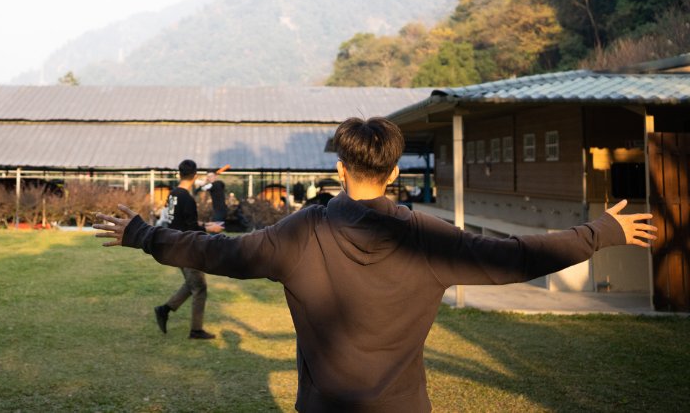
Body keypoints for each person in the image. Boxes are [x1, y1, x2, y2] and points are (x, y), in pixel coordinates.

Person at [94, 117, 656, 412]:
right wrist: (600, 232)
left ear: (341, 169)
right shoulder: (431, 238)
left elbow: (220, 253)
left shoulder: (300, 232)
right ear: (393, 174)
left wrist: (145, 234)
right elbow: (517, 257)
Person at [153, 159, 224, 339]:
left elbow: (179, 222)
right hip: (186, 249)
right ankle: (196, 330)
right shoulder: (188, 199)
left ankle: (164, 309)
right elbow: (191, 230)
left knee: (192, 284)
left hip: (173, 245)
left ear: (179, 174)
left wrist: (205, 224)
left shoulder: (172, 195)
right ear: (195, 176)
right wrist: (210, 229)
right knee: (200, 288)